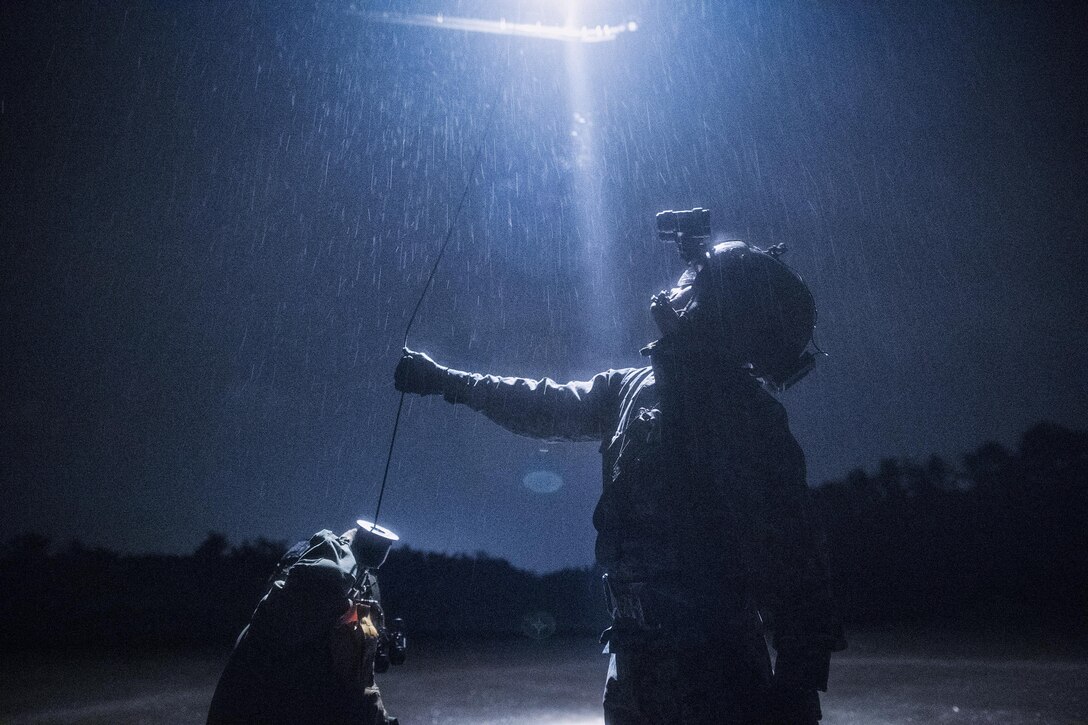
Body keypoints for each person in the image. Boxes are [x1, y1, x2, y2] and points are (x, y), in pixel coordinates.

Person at [395, 236, 845, 724]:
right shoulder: (631, 388)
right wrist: (448, 382)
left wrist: (798, 689)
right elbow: (545, 406)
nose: (679, 291)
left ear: (723, 310)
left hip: (715, 670)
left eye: (696, 283)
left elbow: (800, 564)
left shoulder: (753, 420)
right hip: (631, 659)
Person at [207, 525, 400, 725]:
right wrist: (343, 545)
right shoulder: (289, 620)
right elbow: (321, 582)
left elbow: (361, 688)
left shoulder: (274, 621)